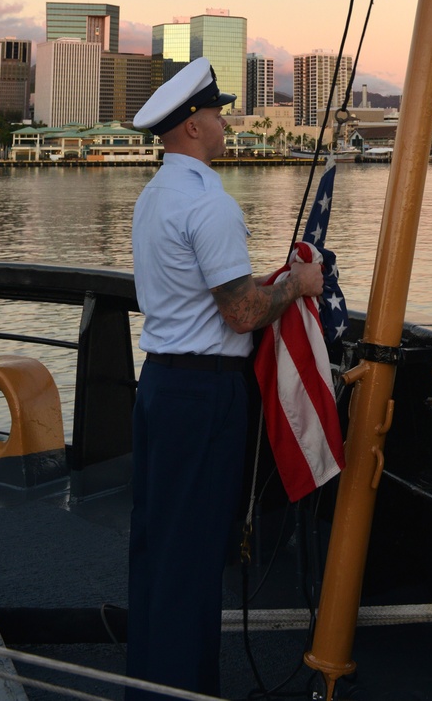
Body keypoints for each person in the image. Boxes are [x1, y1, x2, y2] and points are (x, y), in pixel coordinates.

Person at [126, 57, 323, 698]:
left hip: (158, 385)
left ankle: (150, 683)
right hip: (204, 396)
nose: (222, 120)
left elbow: (202, 295)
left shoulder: (156, 196)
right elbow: (240, 312)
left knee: (157, 549)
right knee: (193, 559)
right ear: (190, 127)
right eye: (214, 112)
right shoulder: (209, 203)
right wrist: (298, 283)